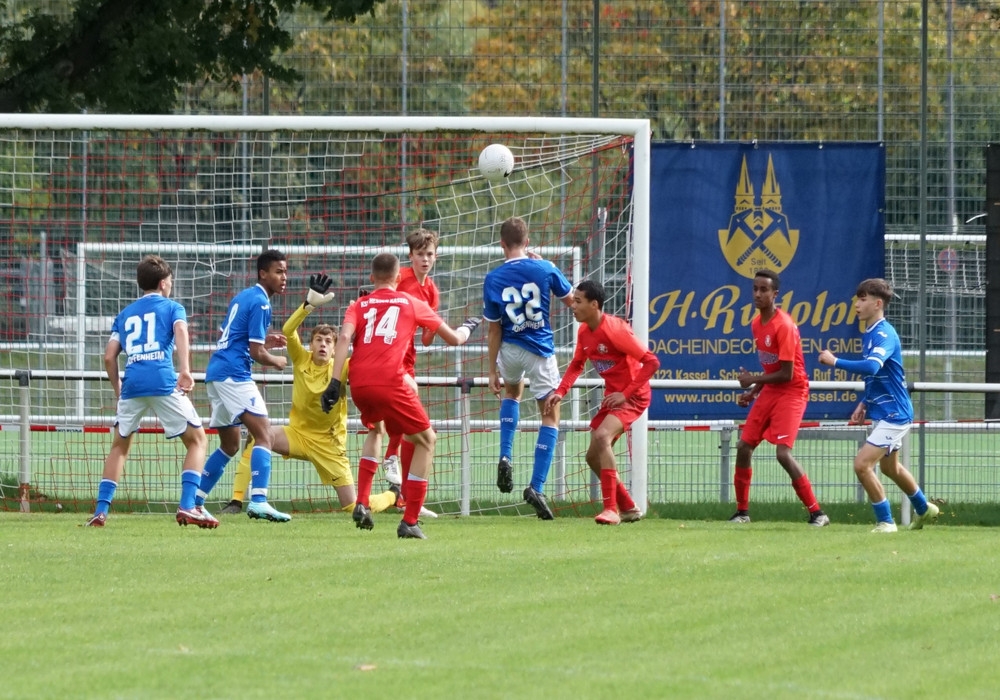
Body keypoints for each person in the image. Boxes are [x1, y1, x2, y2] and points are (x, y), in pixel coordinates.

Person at [321, 252, 480, 539]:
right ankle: (410, 520)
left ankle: (362, 502)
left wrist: (334, 383)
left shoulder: (359, 304)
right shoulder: (411, 302)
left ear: (372, 278)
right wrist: (468, 327)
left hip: (359, 383)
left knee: (377, 429)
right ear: (398, 277)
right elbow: (454, 339)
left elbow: (343, 338)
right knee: (427, 440)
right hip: (391, 380)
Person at [218, 275, 400, 519]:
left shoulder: (342, 367)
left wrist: (367, 317)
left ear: (336, 348)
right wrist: (308, 305)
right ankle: (236, 501)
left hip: (329, 445)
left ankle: (394, 495)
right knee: (261, 437)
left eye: (328, 341)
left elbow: (365, 350)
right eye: (318, 340)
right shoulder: (301, 359)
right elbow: (288, 330)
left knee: (352, 505)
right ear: (311, 344)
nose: (323, 345)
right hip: (298, 435)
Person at [84, 255, 215, 528]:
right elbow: (181, 331)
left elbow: (109, 357)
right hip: (162, 381)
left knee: (120, 446)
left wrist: (118, 388)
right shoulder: (172, 307)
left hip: (132, 384)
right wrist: (186, 369)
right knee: (197, 440)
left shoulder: (125, 314)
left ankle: (100, 511)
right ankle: (188, 506)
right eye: (170, 281)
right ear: (163, 283)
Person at [819, 278, 940, 533]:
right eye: (857, 298)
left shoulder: (884, 334)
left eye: (862, 299)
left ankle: (885, 522)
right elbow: (879, 375)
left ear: (877, 303)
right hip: (886, 410)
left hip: (894, 413)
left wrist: (835, 361)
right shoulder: (871, 332)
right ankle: (924, 508)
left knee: (862, 465)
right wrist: (864, 402)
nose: (857, 304)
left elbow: (872, 366)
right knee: (889, 467)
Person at [542, 280, 658, 525]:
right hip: (614, 396)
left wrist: (626, 394)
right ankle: (628, 507)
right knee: (592, 457)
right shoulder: (584, 331)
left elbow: (651, 362)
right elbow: (576, 365)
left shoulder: (616, 330)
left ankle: (611, 510)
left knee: (602, 437)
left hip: (633, 396)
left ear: (594, 305)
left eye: (578, 301)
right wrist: (561, 392)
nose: (572, 306)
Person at [483, 215, 573, 519]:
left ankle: (506, 454)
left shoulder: (493, 278)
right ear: (528, 242)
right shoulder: (545, 268)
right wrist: (550, 266)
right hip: (540, 351)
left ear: (502, 244)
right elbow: (573, 299)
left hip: (509, 348)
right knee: (550, 415)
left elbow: (494, 329)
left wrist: (492, 369)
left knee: (512, 391)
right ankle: (536, 486)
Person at [193, 249, 291, 522]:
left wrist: (265, 343)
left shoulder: (243, 296)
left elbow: (234, 337)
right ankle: (259, 500)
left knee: (230, 445)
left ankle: (195, 501)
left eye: (285, 271)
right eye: (279, 272)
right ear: (263, 273)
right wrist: (276, 361)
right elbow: (257, 354)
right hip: (234, 375)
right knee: (265, 435)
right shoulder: (261, 302)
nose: (285, 277)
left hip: (217, 373)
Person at [732, 269, 830, 527]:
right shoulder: (756, 323)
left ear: (775, 294)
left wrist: (753, 380)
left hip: (793, 390)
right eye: (755, 289)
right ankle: (742, 512)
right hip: (772, 390)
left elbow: (786, 374)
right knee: (744, 447)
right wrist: (753, 393)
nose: (757, 294)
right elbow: (771, 369)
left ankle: (817, 513)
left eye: (764, 290)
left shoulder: (783, 325)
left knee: (782, 454)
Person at [379, 228, 441, 521]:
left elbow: (427, 338)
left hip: (409, 356)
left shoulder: (431, 291)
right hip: (390, 356)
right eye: (420, 254)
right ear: (410, 256)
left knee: (414, 430)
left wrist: (433, 328)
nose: (425, 259)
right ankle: (390, 457)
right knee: (405, 409)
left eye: (429, 254)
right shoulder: (399, 278)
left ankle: (405, 495)